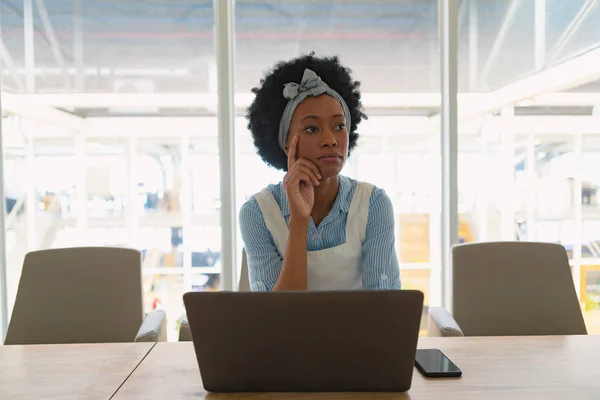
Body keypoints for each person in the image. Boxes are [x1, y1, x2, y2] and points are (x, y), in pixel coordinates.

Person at [240, 53, 401, 291]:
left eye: (339, 126)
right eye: (312, 128)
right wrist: (298, 220)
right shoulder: (257, 214)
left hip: (360, 330)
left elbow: (386, 310)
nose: (330, 140)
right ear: (286, 142)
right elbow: (276, 319)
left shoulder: (373, 205)